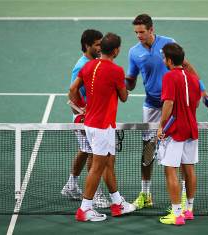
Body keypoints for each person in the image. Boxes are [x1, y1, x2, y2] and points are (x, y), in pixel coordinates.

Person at [125, 13, 208, 210]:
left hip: (173, 105)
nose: (138, 35)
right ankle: (145, 194)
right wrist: (120, 82)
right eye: (136, 32)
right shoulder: (133, 52)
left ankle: (182, 201)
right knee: (148, 150)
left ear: (151, 29)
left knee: (177, 153)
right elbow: (131, 81)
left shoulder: (168, 43)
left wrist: (202, 89)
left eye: (142, 32)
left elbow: (186, 66)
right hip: (152, 105)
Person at [69, 32, 136, 222]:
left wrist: (82, 106)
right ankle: (85, 209)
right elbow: (123, 97)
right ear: (116, 50)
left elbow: (73, 89)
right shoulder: (116, 71)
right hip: (102, 126)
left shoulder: (89, 65)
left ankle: (117, 204)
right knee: (98, 167)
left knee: (107, 163)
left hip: (90, 122)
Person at [61, 29, 110, 208]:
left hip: (92, 116)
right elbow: (72, 92)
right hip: (84, 118)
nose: (100, 47)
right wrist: (83, 113)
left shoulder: (95, 62)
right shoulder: (81, 65)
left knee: (84, 149)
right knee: (93, 153)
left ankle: (71, 185)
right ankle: (95, 194)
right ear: (87, 45)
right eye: (97, 44)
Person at [157, 42, 201, 225]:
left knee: (170, 170)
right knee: (189, 169)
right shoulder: (192, 78)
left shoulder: (169, 77)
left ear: (168, 60)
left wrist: (161, 126)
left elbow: (168, 103)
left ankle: (176, 214)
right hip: (191, 128)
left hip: (175, 130)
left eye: (164, 58)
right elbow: (196, 103)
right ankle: (188, 210)